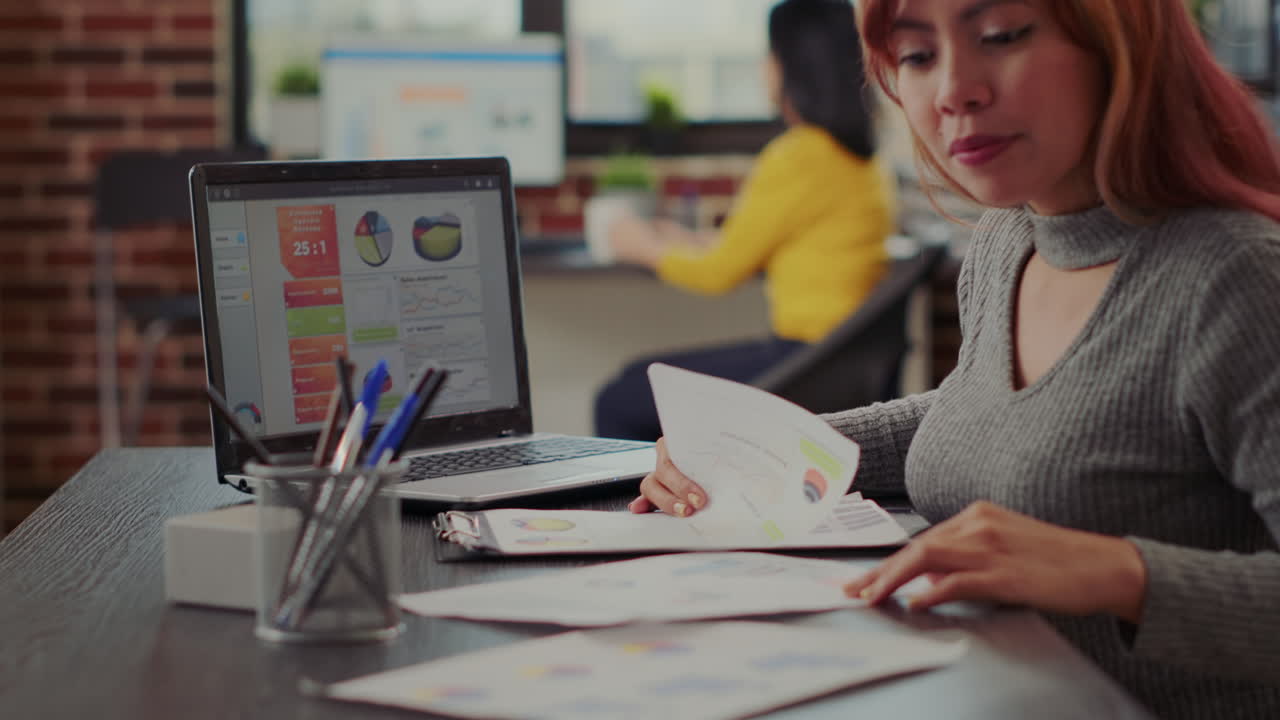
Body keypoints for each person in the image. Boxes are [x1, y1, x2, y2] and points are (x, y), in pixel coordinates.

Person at [629, 0, 1280, 716]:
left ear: (1118, 45)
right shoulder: (1008, 238)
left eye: (1000, 36)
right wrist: (770, 446)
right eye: (916, 56)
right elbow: (987, 412)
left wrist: (1116, 571)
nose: (952, 91)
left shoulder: (1237, 278)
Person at [594, 0, 895, 442]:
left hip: (805, 360)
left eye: (768, 53)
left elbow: (718, 274)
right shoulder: (858, 158)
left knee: (619, 399)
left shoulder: (799, 155)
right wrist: (691, 241)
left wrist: (639, 245)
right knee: (637, 381)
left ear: (791, 64)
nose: (762, 66)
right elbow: (768, 243)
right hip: (840, 361)